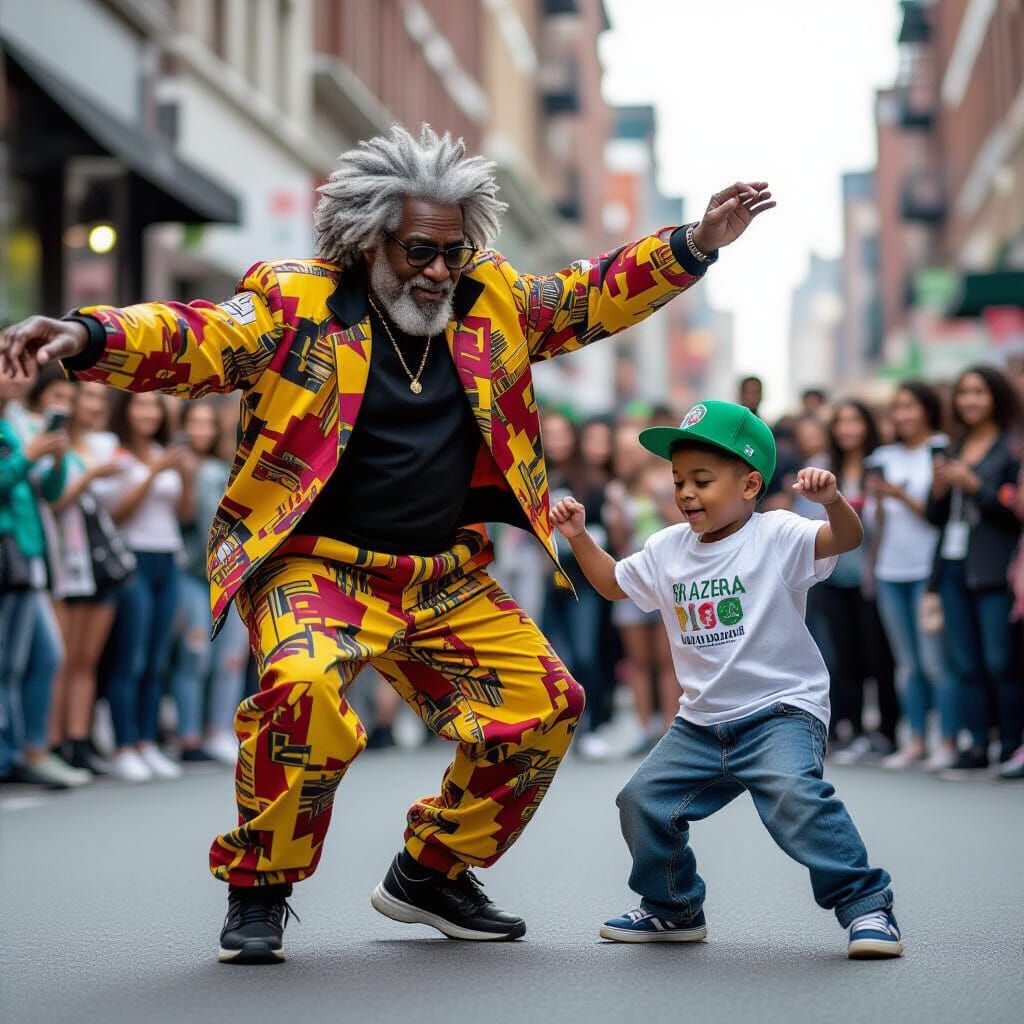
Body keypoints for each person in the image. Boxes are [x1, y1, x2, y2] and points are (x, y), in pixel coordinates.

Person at [0, 124, 773, 964]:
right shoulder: (297, 301)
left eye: (453, 251)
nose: (439, 270)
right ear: (366, 240)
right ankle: (260, 885)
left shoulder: (492, 301)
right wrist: (85, 338)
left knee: (546, 707)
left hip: (442, 573)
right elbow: (198, 336)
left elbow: (588, 294)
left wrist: (695, 245)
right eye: (419, 251)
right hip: (317, 566)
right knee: (301, 689)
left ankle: (431, 872)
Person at [552, 400, 902, 959]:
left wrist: (832, 501)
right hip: (701, 721)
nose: (686, 492)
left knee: (794, 796)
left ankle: (867, 907)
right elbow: (615, 585)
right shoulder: (667, 548)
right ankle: (674, 910)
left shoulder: (779, 534)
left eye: (703, 480)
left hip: (780, 710)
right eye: (678, 480)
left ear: (749, 485)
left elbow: (845, 541)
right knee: (642, 801)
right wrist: (577, 537)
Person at [927, 365, 1023, 776]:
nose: (969, 400)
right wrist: (939, 490)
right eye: (964, 392)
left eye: (979, 392)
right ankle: (977, 743)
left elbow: (1012, 514)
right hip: (952, 567)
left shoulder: (1010, 449)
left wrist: (974, 486)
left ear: (996, 397)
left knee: (1000, 661)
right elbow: (937, 518)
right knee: (965, 662)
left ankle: (1011, 745)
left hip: (994, 568)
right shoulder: (953, 447)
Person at [93, 392, 194, 782]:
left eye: (155, 407)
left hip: (167, 559)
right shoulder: (116, 455)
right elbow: (116, 514)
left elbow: (184, 516)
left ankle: (147, 743)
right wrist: (153, 472)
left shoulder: (162, 450)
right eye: (141, 405)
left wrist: (183, 478)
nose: (150, 413)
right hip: (131, 558)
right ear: (126, 411)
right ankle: (124, 745)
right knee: (130, 658)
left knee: (157, 658)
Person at [0, 376, 86, 788]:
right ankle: (14, 755)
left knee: (43, 658)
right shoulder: (16, 430)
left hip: (26, 556)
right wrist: (28, 456)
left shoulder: (18, 425)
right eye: (6, 364)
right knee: (10, 664)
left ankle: (28, 751)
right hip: (9, 555)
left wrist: (54, 459)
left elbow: (50, 493)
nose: (17, 375)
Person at [868, 381, 956, 771]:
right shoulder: (883, 455)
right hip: (890, 569)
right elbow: (873, 521)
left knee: (935, 662)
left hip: (928, 570)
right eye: (897, 407)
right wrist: (880, 502)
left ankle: (949, 740)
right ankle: (916, 738)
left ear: (927, 409)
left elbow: (939, 516)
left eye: (910, 406)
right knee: (907, 664)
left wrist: (901, 496)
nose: (903, 414)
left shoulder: (940, 449)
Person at [46, 378, 129, 774]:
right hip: (65, 559)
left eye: (101, 398)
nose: (95, 405)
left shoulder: (105, 444)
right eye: (88, 397)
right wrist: (90, 476)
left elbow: (117, 507)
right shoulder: (55, 442)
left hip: (99, 561)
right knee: (63, 658)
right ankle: (55, 742)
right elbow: (55, 501)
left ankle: (80, 741)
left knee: (86, 660)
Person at [172, 399, 251, 765]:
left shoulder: (229, 469)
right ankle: (189, 735)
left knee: (231, 660)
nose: (202, 431)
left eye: (209, 424)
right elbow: (185, 519)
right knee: (195, 656)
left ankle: (220, 730)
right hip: (191, 576)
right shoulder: (179, 468)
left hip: (232, 580)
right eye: (195, 423)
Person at [819, 400, 898, 760]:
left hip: (874, 576)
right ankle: (848, 729)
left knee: (878, 656)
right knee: (842, 656)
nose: (848, 428)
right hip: (834, 577)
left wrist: (879, 499)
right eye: (841, 421)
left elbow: (886, 523)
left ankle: (886, 731)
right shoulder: (824, 468)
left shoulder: (881, 465)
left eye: (855, 420)